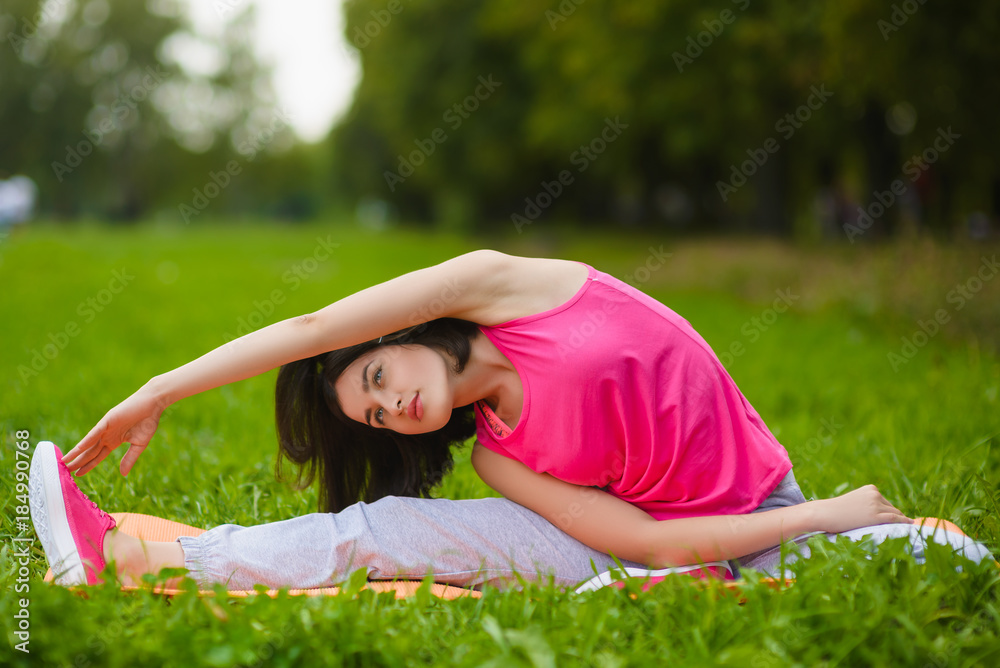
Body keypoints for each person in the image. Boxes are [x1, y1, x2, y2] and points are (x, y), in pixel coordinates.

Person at [30, 251, 992, 590]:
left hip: (754, 513)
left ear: (401, 333)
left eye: (375, 375)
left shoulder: (508, 287)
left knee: (954, 567)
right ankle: (130, 557)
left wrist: (158, 389)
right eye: (374, 415)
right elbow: (648, 547)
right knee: (382, 530)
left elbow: (309, 327)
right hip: (678, 545)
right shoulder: (502, 464)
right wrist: (819, 516)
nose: (390, 404)